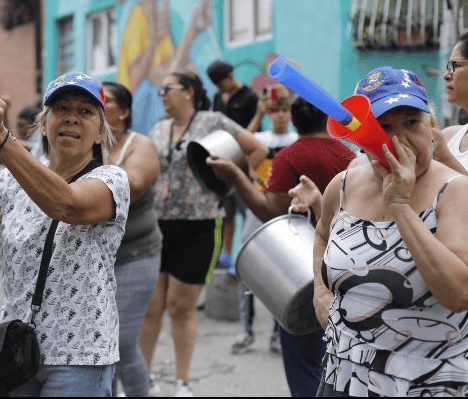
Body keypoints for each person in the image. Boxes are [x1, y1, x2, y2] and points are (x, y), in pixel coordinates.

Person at [0, 72, 129, 397]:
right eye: (61, 108)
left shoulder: (112, 179)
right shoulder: (9, 181)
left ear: (101, 131)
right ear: (44, 123)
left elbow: (66, 205)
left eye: (86, 111)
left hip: (80, 355)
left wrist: (0, 140)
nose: (72, 117)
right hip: (14, 351)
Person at [312, 67, 468, 396]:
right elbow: (322, 234)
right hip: (344, 373)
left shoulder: (455, 191)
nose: (397, 141)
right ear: (361, 138)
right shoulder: (342, 186)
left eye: (412, 122)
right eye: (382, 127)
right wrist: (321, 291)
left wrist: (400, 206)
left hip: (427, 381)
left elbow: (458, 294)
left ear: (432, 126)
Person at [206, 95, 355, 397]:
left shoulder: (290, 156)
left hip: (303, 268)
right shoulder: (348, 155)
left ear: (295, 120)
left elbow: (270, 210)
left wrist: (236, 175)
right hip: (346, 262)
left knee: (304, 361)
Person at [141, 72, 267, 397]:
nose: (162, 94)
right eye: (161, 89)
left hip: (200, 225)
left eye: (168, 88)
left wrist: (232, 182)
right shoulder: (158, 128)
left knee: (180, 307)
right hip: (157, 225)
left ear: (189, 92)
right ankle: (143, 378)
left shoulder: (213, 121)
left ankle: (182, 382)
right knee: (151, 307)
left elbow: (257, 148)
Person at [102, 81, 162, 397]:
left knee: (122, 341)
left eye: (105, 100)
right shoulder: (80, 144)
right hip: (91, 259)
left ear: (124, 111)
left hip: (136, 254)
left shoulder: (139, 144)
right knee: (98, 344)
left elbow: (133, 185)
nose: (97, 105)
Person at [231, 89, 297, 355]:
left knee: (281, 272)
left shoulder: (296, 140)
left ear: (291, 113)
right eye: (275, 110)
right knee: (247, 270)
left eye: (284, 110)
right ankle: (246, 330)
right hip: (257, 210)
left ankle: (276, 332)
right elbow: (239, 148)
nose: (280, 115)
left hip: (285, 212)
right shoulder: (259, 138)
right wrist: (257, 115)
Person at [206, 61, 261, 269]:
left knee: (248, 209)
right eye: (217, 86)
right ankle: (226, 255)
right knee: (226, 212)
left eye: (222, 84)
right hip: (223, 159)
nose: (220, 89)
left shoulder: (249, 97)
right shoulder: (219, 98)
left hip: (245, 161)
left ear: (230, 75)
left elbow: (254, 135)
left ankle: (250, 255)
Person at [433, 31, 468, 174]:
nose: (447, 75)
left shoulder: (443, 146)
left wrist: (444, 157)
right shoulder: (449, 137)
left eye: (456, 65)